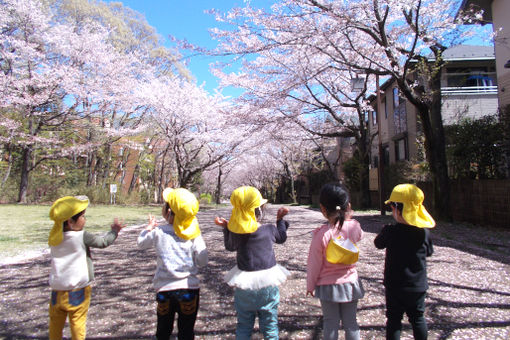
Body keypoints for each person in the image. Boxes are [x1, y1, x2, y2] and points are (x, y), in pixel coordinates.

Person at [214, 186, 290, 340]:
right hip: (267, 283)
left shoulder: (237, 233)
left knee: (244, 325)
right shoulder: (269, 229)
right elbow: (282, 237)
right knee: (270, 324)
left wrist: (227, 228)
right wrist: (280, 220)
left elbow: (230, 246)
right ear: (259, 210)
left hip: (244, 285)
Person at [48, 195, 126, 340]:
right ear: (71, 222)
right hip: (78, 289)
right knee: (78, 323)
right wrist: (114, 231)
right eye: (83, 217)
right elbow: (103, 242)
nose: (85, 219)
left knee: (55, 325)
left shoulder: (54, 237)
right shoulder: (81, 236)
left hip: (57, 290)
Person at [138, 188, 208, 340]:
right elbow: (203, 261)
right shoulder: (194, 234)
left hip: (164, 289)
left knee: (163, 330)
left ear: (168, 211)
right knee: (186, 331)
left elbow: (141, 243)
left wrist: (148, 228)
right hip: (189, 289)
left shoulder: (159, 231)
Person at [374, 183, 435, 340]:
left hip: (395, 285)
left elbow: (378, 243)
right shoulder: (424, 233)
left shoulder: (390, 231)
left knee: (394, 320)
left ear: (398, 209)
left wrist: (384, 231)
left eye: (392, 207)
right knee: (418, 318)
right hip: (417, 286)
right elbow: (428, 252)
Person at [306, 182, 364, 340]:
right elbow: (360, 236)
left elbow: (314, 263)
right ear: (348, 206)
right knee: (351, 322)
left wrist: (310, 285)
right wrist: (349, 219)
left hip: (327, 286)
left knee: (330, 323)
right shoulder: (354, 227)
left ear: (323, 209)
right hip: (350, 283)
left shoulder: (321, 235)